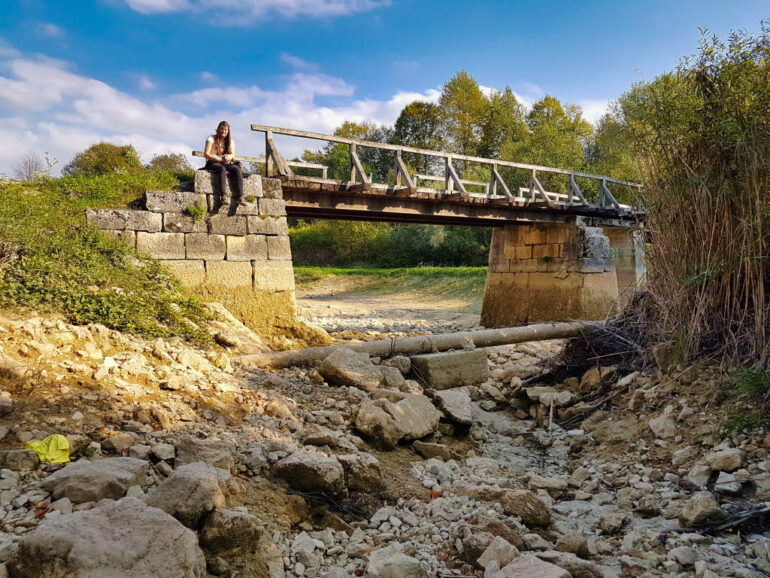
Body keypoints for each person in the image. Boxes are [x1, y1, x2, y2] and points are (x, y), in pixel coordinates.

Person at [204, 121, 244, 206]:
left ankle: (240, 196)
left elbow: (232, 155)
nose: (223, 131)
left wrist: (230, 158)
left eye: (225, 129)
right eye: (222, 129)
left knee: (236, 169)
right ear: (218, 130)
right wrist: (218, 159)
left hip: (225, 162)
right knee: (222, 169)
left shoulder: (230, 142)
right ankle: (223, 196)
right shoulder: (211, 139)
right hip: (212, 162)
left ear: (228, 131)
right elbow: (206, 154)